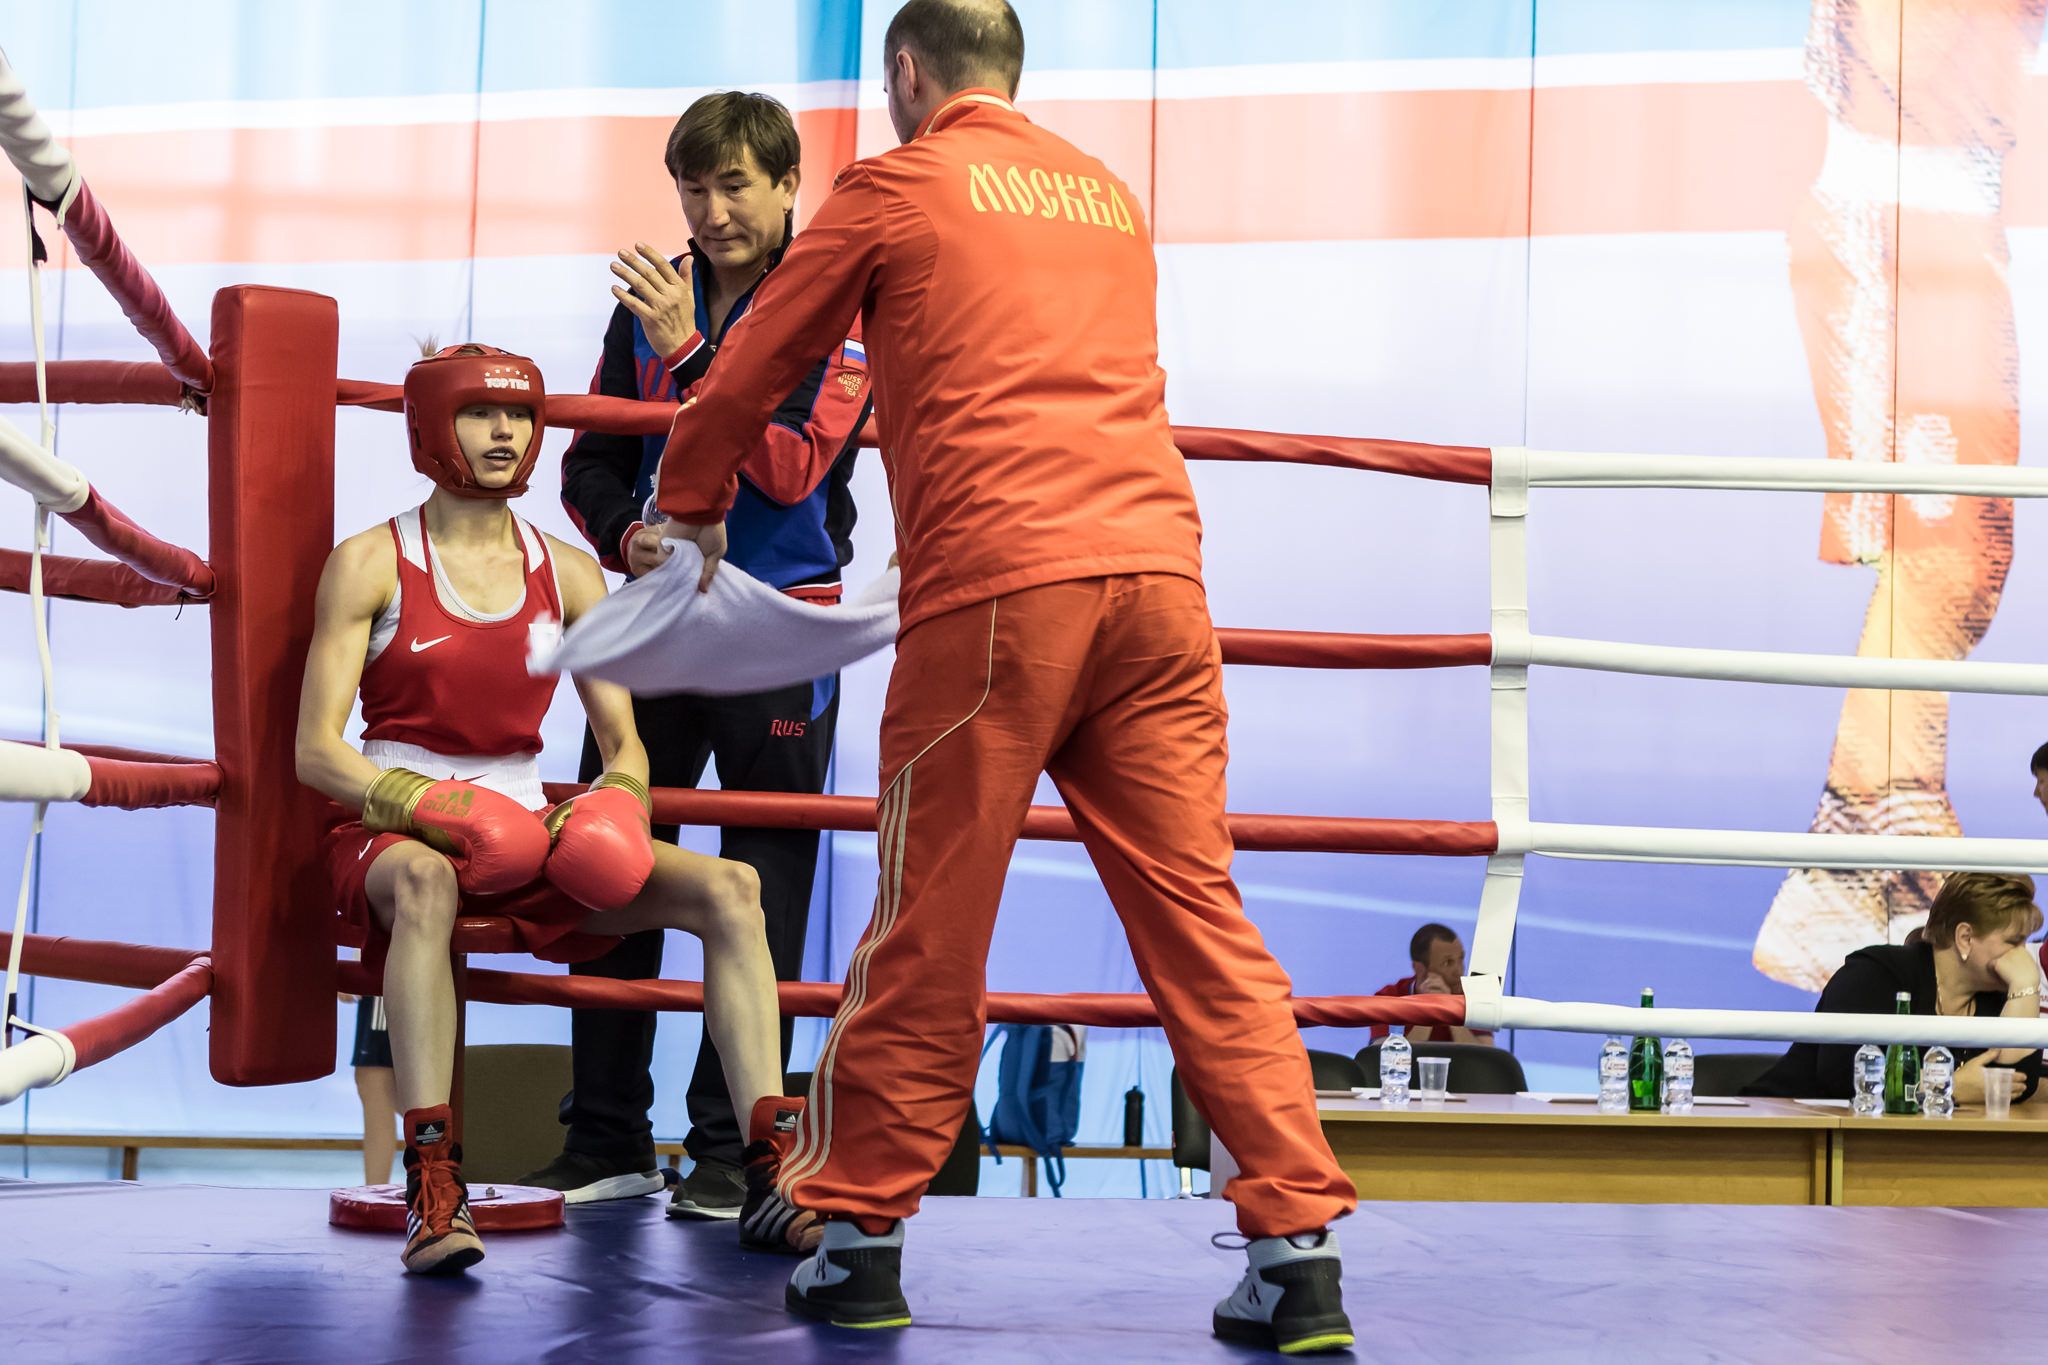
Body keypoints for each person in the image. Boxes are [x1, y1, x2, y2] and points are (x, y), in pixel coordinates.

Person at [650, 1, 1357, 1352]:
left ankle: (858, 1241)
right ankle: (1297, 1255)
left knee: (926, 924)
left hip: (997, 595)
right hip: (1157, 589)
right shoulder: (1105, 196)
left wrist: (684, 507)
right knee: (1201, 920)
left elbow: (751, 367)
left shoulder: (897, 185)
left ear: (907, 72)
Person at [294, 345, 811, 1275]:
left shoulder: (568, 572)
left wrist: (616, 806)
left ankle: (769, 1172)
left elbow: (625, 745)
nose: (504, 434)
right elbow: (316, 750)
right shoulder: (370, 561)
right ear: (431, 425)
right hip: (390, 828)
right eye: (479, 414)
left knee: (734, 887)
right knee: (425, 882)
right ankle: (433, 1185)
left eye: (521, 416)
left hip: (523, 828)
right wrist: (426, 803)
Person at [531, 90, 872, 1218]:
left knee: (762, 885)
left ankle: (734, 1153)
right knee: (607, 860)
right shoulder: (646, 302)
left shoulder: (833, 302)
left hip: (777, 623)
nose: (713, 210)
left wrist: (688, 350)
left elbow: (789, 468)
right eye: (694, 187)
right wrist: (621, 534)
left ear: (788, 186)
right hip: (659, 614)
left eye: (735, 185)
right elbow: (590, 461)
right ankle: (605, 1138)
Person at [1756, 0, 2048, 991]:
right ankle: (1884, 856)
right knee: (1943, 552)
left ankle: (1852, 865)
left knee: (1970, 552)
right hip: (1895, 227)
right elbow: (1907, 61)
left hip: (1940, 225)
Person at [1748, 872, 2045, 1103]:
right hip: (1782, 1132)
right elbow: (1841, 1076)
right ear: (1965, 938)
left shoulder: (2001, 995)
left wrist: (2025, 985)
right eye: (2013, 942)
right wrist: (1946, 1087)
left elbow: (2016, 1084)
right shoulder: (1876, 973)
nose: (2021, 955)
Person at [1367, 924, 1494, 1046]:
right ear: (1420, 969)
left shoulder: (1473, 998)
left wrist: (1450, 1008)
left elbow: (1485, 1056)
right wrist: (1429, 1008)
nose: (1459, 971)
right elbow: (1384, 1055)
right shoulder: (1389, 998)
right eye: (1448, 963)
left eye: (1461, 959)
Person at [349, 991, 399, 1185]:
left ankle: (375, 1191)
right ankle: (375, 1190)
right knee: (375, 1084)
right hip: (380, 993)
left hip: (385, 993)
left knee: (375, 1082)